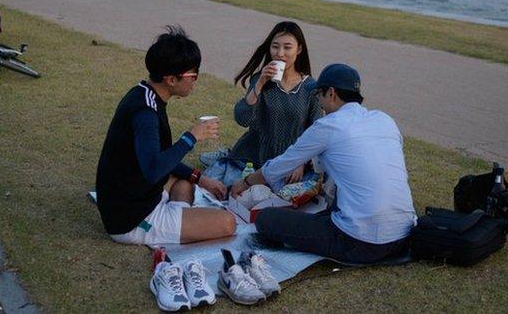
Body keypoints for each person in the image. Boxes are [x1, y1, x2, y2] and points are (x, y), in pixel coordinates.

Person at [231, 63, 416, 264]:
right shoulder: (384, 120)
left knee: (267, 219)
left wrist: (247, 182)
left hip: (360, 241)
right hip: (405, 235)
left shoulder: (328, 126)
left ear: (331, 93)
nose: (319, 101)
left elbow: (281, 165)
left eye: (319, 94)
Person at [95, 25, 235, 245]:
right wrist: (191, 137)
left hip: (138, 194)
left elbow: (158, 157)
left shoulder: (143, 93)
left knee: (186, 184)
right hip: (131, 218)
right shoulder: (146, 113)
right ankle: (172, 223)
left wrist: (200, 178)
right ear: (171, 79)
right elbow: (153, 169)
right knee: (228, 223)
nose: (195, 80)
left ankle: (178, 218)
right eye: (193, 75)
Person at [229, 21, 322, 183]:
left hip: (290, 163)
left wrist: (301, 162)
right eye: (275, 46)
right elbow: (242, 119)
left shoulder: (310, 88)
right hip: (254, 156)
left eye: (287, 47)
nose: (280, 53)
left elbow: (317, 133)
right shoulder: (260, 80)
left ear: (299, 49)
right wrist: (259, 84)